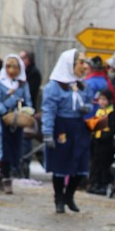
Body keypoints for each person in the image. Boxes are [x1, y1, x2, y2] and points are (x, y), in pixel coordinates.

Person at [41, 49, 93, 213]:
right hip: (61, 128)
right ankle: (58, 198)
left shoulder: (82, 85)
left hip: (78, 127)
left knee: (80, 164)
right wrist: (47, 133)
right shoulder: (54, 86)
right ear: (70, 64)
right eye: (81, 62)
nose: (85, 66)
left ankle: (69, 195)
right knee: (61, 164)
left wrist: (87, 108)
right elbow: (48, 111)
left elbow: (90, 102)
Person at [0, 54, 33, 194]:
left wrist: (26, 111)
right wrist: (5, 112)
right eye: (8, 66)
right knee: (5, 150)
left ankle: (3, 174)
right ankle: (6, 178)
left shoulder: (22, 84)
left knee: (16, 149)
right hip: (3, 121)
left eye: (15, 66)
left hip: (17, 121)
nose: (11, 69)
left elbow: (28, 101)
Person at [86, 88, 115, 195]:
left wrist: (105, 135)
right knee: (95, 163)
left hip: (106, 142)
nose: (102, 102)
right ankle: (94, 182)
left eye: (104, 99)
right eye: (100, 99)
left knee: (104, 164)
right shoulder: (99, 111)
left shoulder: (111, 112)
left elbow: (113, 127)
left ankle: (103, 184)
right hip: (97, 141)